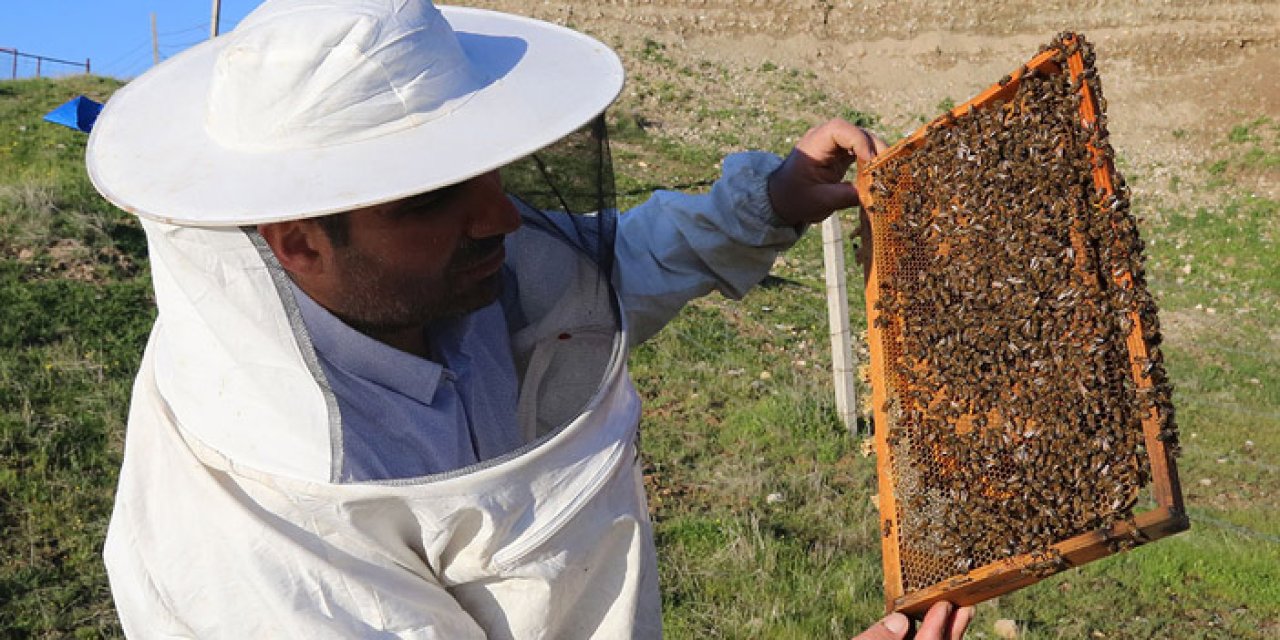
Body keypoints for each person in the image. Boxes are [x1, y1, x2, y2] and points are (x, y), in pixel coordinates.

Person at [86, 0, 972, 638]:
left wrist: (769, 202)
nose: (503, 219)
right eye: (436, 198)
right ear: (299, 244)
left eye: (492, 172)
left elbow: (589, 274)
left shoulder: (435, 281)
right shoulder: (257, 545)